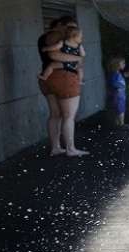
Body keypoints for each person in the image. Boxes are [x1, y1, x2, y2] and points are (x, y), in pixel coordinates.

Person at [37, 16, 89, 157]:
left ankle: (55, 148)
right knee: (68, 116)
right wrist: (78, 58)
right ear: (60, 25)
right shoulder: (58, 35)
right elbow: (54, 55)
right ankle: (70, 149)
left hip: (48, 78)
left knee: (55, 115)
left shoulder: (44, 37)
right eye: (69, 27)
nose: (71, 31)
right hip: (64, 77)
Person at [106, 56, 129, 129]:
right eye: (122, 63)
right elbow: (113, 83)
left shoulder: (117, 73)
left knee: (119, 109)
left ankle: (117, 124)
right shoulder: (114, 74)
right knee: (120, 109)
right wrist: (119, 87)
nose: (124, 65)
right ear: (117, 65)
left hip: (121, 94)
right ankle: (121, 124)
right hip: (118, 95)